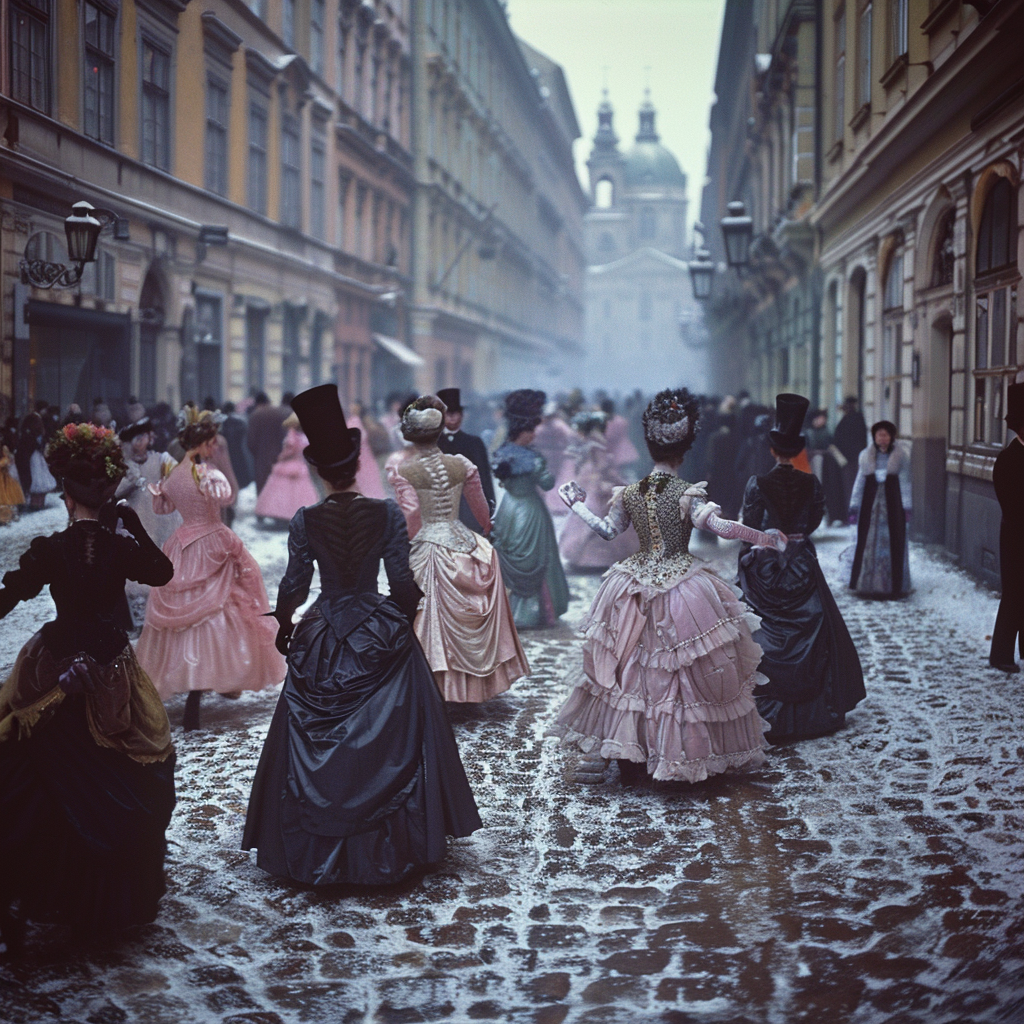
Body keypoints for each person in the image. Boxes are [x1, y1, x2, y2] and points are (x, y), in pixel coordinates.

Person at [242, 384, 482, 885]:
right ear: (355, 467)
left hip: (324, 627)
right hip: (377, 622)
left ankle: (316, 841)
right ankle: (394, 841)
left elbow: (293, 585)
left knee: (308, 730)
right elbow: (403, 584)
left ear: (319, 472)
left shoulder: (306, 520)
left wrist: (286, 626)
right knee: (398, 730)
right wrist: (394, 629)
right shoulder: (385, 513)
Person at [548, 388, 783, 783]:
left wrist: (578, 507)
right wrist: (766, 537)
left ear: (650, 447)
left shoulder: (631, 493)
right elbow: (723, 528)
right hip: (683, 586)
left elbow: (607, 532)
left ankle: (633, 748)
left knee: (630, 667)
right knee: (682, 672)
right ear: (684, 452)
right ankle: (677, 749)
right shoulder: (687, 494)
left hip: (632, 583)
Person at [0, 423, 175, 952]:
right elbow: (161, 571)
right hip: (110, 668)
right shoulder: (122, 549)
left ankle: (43, 885)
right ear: (106, 495)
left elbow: (11, 594)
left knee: (41, 776)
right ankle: (100, 903)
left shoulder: (51, 548)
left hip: (52, 663)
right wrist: (133, 527)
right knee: (118, 772)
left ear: (66, 494)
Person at [136, 405, 285, 730]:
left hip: (182, 544)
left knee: (189, 613)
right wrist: (221, 465)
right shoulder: (207, 473)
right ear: (204, 443)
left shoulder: (173, 475)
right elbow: (229, 497)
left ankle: (194, 680)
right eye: (212, 442)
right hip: (213, 539)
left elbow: (163, 509)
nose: (215, 447)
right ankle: (216, 676)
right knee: (223, 607)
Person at [738, 394, 865, 741]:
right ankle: (812, 709)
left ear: (772, 451)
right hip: (801, 564)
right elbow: (814, 519)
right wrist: (797, 539)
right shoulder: (810, 482)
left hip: (766, 565)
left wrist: (753, 555)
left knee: (765, 628)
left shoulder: (758, 483)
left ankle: (768, 706)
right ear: (796, 452)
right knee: (813, 627)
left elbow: (750, 526)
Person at [388, 395, 529, 702]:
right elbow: (480, 508)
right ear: (439, 433)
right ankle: (468, 687)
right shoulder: (461, 464)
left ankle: (436, 686)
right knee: (465, 608)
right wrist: (485, 529)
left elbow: (411, 514)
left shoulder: (404, 470)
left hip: (428, 543)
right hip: (459, 537)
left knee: (428, 616)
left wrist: (411, 543)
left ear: (411, 436)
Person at [491, 390, 570, 628]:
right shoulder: (533, 459)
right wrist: (543, 469)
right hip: (529, 510)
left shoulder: (501, 453)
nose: (534, 435)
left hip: (508, 508)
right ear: (522, 432)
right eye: (531, 431)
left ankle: (508, 609)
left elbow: (502, 481)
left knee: (511, 554)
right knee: (534, 558)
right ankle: (532, 612)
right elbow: (547, 483)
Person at [116, 419, 182, 624]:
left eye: (143, 438)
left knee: (158, 558)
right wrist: (130, 480)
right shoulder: (123, 464)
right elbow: (115, 492)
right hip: (133, 519)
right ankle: (137, 614)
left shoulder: (161, 460)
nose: (139, 443)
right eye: (135, 439)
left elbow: (177, 480)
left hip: (159, 520)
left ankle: (159, 612)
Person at [558, 410, 639, 571]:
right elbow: (601, 465)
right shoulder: (595, 442)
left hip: (592, 481)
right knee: (597, 516)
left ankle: (589, 559)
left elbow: (596, 463)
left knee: (591, 517)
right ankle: (595, 560)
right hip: (595, 482)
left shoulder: (591, 442)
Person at [848, 419, 912, 598]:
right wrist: (854, 506)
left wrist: (907, 507)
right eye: (879, 435)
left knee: (894, 541)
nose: (882, 439)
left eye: (885, 435)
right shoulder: (866, 456)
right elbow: (859, 482)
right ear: (874, 437)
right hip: (870, 505)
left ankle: (894, 585)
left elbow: (906, 482)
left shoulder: (901, 456)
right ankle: (866, 583)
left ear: (891, 437)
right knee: (867, 541)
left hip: (893, 504)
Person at [989, 382, 1024, 673]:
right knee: (1013, 593)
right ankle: (1000, 654)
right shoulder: (1007, 459)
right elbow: (1010, 503)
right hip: (1015, 535)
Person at [436, 387, 496, 533]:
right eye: (448, 414)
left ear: (462, 415)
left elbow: (484, 476)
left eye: (456, 413)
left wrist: (489, 505)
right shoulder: (433, 443)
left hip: (468, 507)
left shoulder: (474, 443)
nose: (452, 418)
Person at [254, 412, 319, 525]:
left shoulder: (292, 435)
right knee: (299, 492)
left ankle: (282, 515)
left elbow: (290, 449)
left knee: (281, 491)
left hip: (288, 464)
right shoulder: (304, 436)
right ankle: (295, 513)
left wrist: (280, 457)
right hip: (301, 465)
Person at [246, 392, 289, 495]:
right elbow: (286, 436)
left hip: (261, 460)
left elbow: (250, 441)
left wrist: (257, 454)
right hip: (280, 458)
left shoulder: (255, 415)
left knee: (263, 490)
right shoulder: (281, 413)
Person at [834, 396, 868, 518]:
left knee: (851, 487)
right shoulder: (858, 418)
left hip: (849, 460)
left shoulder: (849, 419)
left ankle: (852, 513)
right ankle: (854, 513)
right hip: (854, 458)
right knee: (854, 487)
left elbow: (839, 439)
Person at [0, 443, 24, 524]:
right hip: (3, 481)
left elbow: (4, 465)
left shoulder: (7, 459)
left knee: (9, 498)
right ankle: (6, 517)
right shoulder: (5, 459)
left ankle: (10, 516)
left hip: (8, 481)